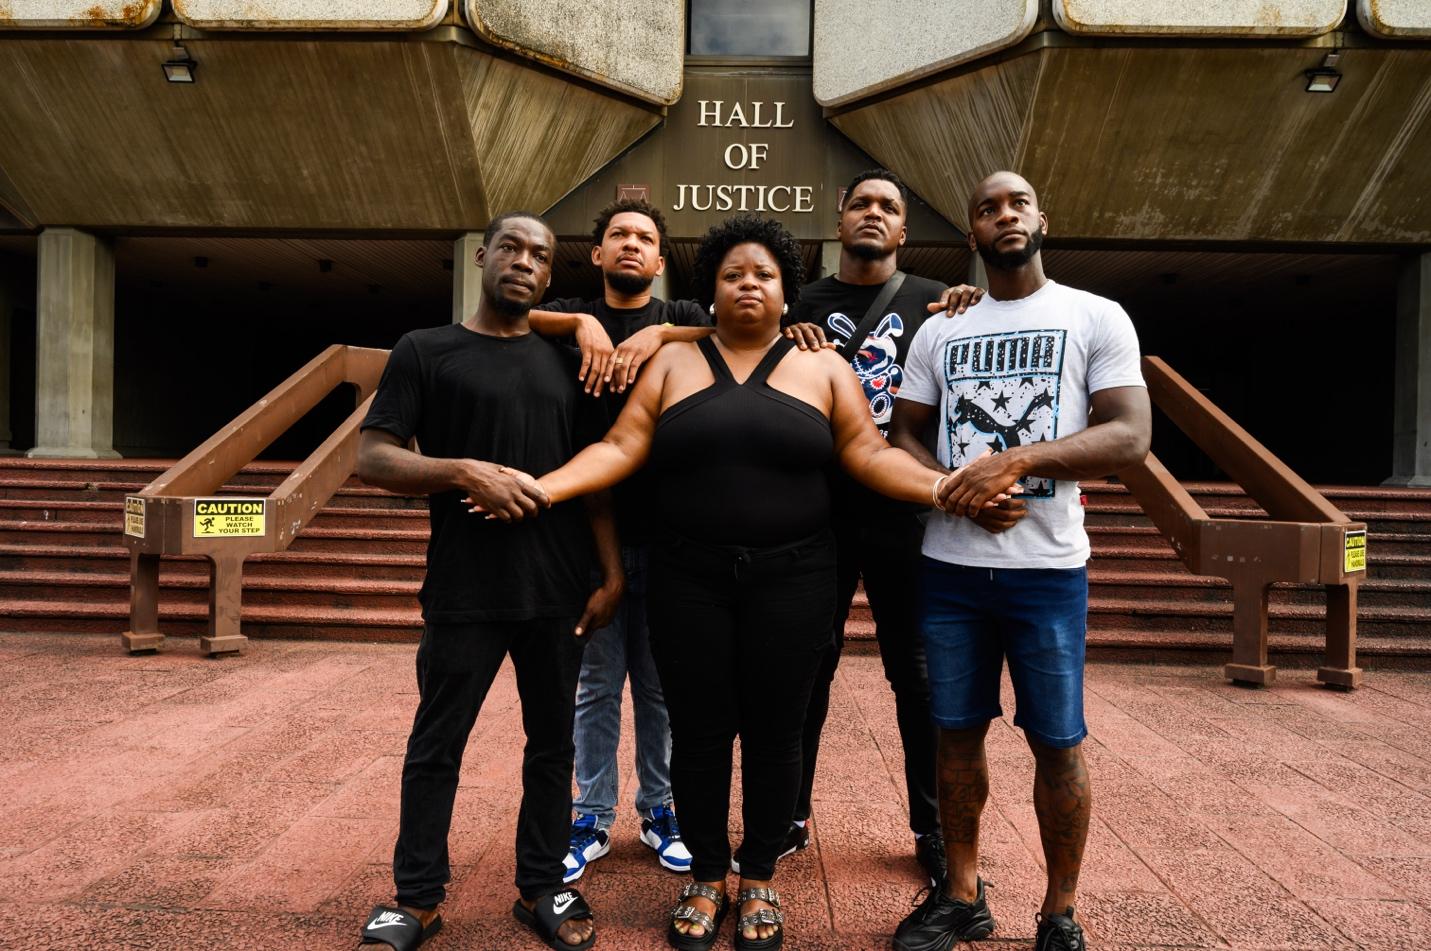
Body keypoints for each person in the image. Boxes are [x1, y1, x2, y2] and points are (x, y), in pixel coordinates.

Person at [477, 215, 1011, 951]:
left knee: (775, 729)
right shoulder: (673, 363)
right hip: (686, 575)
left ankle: (757, 872)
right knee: (697, 730)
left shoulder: (822, 367)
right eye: (733, 274)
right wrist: (545, 487)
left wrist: (944, 486)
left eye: (762, 274)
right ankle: (704, 871)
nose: (748, 284)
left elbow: (868, 451)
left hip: (794, 578)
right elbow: (620, 445)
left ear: (785, 289)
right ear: (711, 289)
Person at [888, 172, 1151, 951]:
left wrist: (1015, 460)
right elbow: (904, 434)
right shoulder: (940, 329)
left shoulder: (1094, 315)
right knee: (954, 733)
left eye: (1017, 203)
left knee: (1056, 739)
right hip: (950, 570)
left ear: (1043, 217)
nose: (1003, 215)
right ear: (970, 233)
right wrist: (950, 491)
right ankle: (961, 893)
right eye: (986, 209)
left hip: (1048, 572)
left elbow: (1129, 434)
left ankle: (1058, 913)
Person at [353, 211, 623, 951]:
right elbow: (373, 457)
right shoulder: (426, 349)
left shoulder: (565, 362)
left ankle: (540, 885)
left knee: (551, 744)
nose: (524, 261)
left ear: (548, 276)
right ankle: (417, 898)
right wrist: (462, 469)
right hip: (463, 588)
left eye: (539, 255)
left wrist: (611, 572)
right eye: (511, 247)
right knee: (436, 742)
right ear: (483, 255)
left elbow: (594, 478)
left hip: (557, 589)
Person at [784, 168, 990, 887]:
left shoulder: (936, 304)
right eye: (862, 203)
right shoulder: (795, 304)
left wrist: (973, 304)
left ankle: (930, 827)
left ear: (904, 230)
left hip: (907, 517)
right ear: (837, 217)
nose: (874, 214)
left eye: (889, 207)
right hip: (816, 514)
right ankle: (787, 814)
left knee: (920, 678)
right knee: (807, 668)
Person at [526, 198, 709, 882]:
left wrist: (658, 337)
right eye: (618, 236)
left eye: (645, 238)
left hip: (670, 534)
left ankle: (660, 809)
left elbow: (737, 332)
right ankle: (590, 815)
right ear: (598, 252)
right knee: (596, 684)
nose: (631, 244)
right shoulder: (573, 315)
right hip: (585, 533)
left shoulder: (683, 318)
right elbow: (510, 319)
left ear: (660, 261)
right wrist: (579, 322)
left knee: (660, 686)